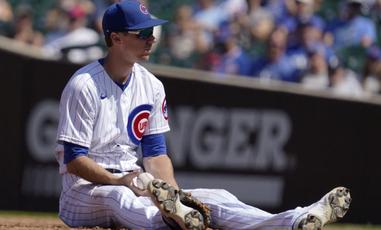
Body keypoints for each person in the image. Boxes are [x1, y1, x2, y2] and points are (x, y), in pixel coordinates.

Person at [55, 1, 352, 229]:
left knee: (215, 197)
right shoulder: (84, 84)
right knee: (119, 199)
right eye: (142, 32)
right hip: (84, 192)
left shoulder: (151, 85)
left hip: (135, 182)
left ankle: (292, 221)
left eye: (152, 32)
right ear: (117, 38)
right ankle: (174, 222)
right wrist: (120, 182)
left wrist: (171, 196)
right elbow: (74, 160)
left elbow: (156, 155)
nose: (151, 39)